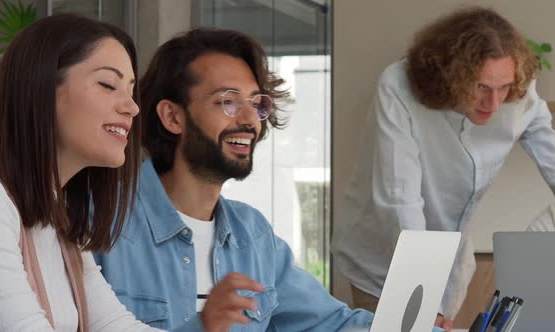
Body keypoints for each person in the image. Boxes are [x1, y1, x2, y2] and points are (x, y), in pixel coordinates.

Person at [0, 14, 251, 332]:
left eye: (130, 90)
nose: (132, 107)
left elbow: (114, 324)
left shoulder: (59, 213)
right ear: (41, 89)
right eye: (107, 84)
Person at [93, 27, 377, 332]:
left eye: (256, 104)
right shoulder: (101, 222)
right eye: (228, 101)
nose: (248, 119)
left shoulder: (253, 236)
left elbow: (334, 324)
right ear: (173, 117)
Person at [332, 6, 555, 331]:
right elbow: (400, 201)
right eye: (480, 87)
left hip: (450, 262)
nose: (494, 104)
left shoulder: (519, 90)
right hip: (384, 263)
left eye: (503, 88)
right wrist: (421, 304)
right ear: (452, 76)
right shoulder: (398, 88)